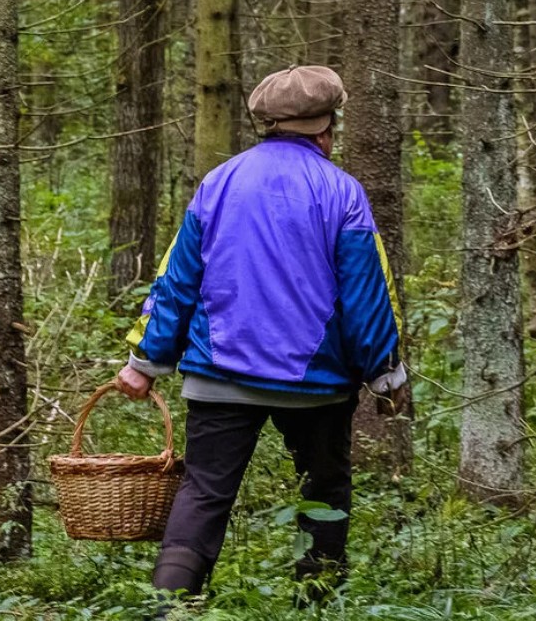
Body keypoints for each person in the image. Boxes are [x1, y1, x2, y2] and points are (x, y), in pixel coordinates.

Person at [115, 65, 407, 608]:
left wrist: (145, 362)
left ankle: (167, 608)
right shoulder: (343, 193)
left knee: (203, 494)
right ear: (328, 126)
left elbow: (177, 280)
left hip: (218, 376)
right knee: (324, 491)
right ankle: (316, 606)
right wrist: (387, 374)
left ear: (268, 123)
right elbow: (365, 294)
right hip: (316, 385)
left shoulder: (217, 183)